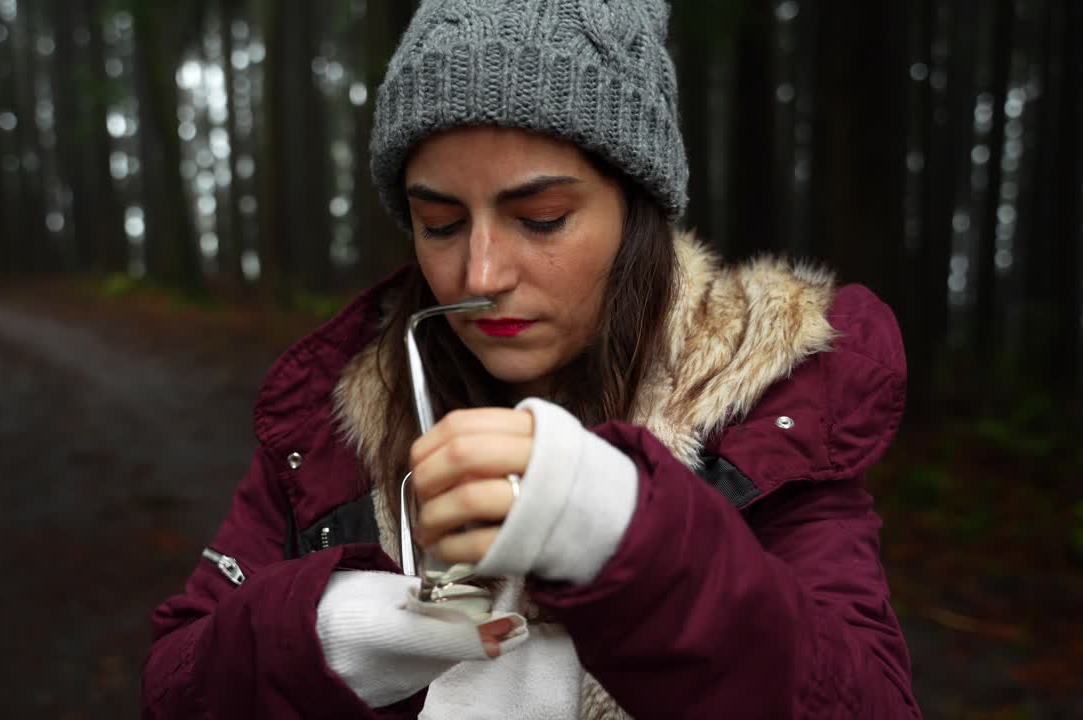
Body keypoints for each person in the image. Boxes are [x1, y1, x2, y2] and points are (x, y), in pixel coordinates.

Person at [142, 0, 920, 717]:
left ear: (635, 208)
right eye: (440, 224)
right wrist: (322, 634)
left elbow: (866, 700)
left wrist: (620, 533)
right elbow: (174, 681)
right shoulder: (337, 417)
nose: (480, 276)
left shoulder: (765, 401)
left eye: (541, 218)